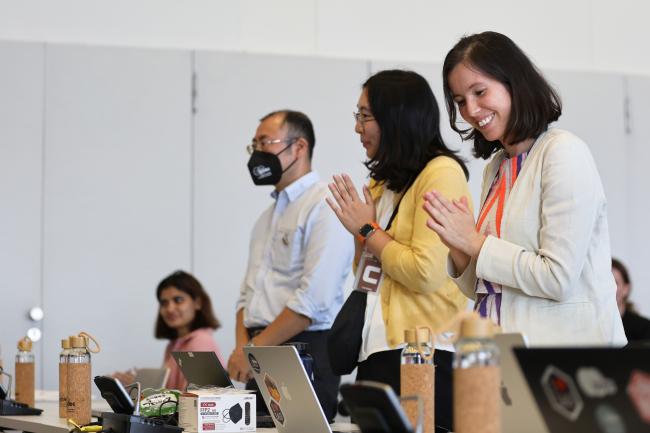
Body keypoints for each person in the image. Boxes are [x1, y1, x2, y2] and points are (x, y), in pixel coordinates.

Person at [424, 31, 626, 346]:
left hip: (567, 360)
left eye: (479, 92)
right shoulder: (497, 166)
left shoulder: (563, 152)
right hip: (504, 353)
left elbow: (556, 278)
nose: (471, 111)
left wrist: (475, 242)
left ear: (513, 83)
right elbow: (489, 283)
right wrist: (459, 247)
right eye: (460, 101)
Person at [327, 70, 471, 432]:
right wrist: (365, 236)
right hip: (377, 350)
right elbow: (370, 272)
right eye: (356, 116)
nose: (358, 128)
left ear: (397, 118)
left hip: (425, 355)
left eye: (366, 116)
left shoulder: (442, 173)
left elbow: (425, 272)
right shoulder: (381, 184)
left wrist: (367, 229)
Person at [227, 110, 353, 422]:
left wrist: (252, 350)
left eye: (265, 142)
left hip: (305, 350)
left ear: (299, 147)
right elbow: (247, 296)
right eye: (253, 145)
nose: (257, 153)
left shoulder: (325, 205)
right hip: (261, 347)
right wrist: (244, 347)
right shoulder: (265, 218)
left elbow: (313, 301)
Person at [114, 270, 222, 390]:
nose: (170, 309)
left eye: (178, 300)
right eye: (164, 303)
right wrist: (139, 381)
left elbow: (196, 400)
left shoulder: (201, 341)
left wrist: (142, 385)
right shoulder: (173, 345)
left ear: (197, 303)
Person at [612, 258, 650, 342]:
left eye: (615, 282)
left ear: (626, 289)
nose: (610, 288)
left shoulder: (645, 328)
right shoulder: (589, 327)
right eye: (606, 283)